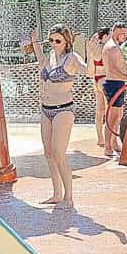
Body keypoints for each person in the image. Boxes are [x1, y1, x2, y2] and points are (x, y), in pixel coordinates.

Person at [35, 25, 91, 207]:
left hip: (63, 110)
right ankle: (57, 194)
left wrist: (90, 54)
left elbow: (88, 72)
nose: (53, 44)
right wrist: (35, 42)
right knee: (49, 153)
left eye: (57, 41)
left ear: (67, 41)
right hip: (46, 109)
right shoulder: (50, 56)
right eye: (51, 40)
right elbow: (41, 62)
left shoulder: (72, 58)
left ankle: (69, 197)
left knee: (59, 153)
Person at [101, 24, 127, 157]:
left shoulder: (115, 46)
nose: (124, 36)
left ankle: (114, 143)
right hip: (113, 84)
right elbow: (112, 69)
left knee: (118, 116)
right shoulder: (111, 47)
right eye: (122, 33)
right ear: (115, 32)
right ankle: (107, 146)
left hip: (118, 83)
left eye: (125, 33)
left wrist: (126, 80)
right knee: (112, 117)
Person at [90, 27, 110, 149]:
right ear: (105, 36)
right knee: (108, 110)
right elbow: (97, 58)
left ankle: (101, 139)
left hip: (97, 80)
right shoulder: (103, 47)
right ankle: (105, 138)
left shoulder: (96, 46)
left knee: (100, 110)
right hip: (103, 79)